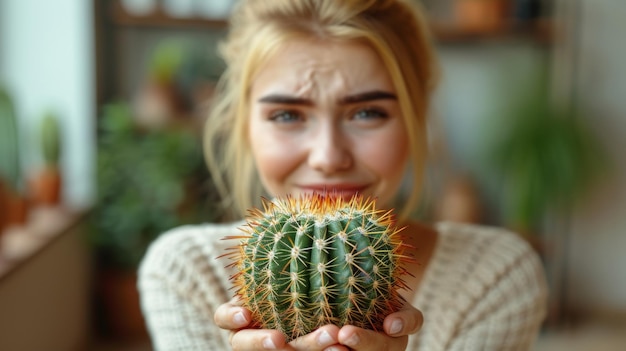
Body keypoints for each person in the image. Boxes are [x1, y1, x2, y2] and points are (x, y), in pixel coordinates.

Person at [138, 0, 548, 350]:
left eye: (367, 113)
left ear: (414, 118)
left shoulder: (496, 274)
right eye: (286, 115)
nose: (328, 156)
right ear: (243, 125)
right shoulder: (185, 272)